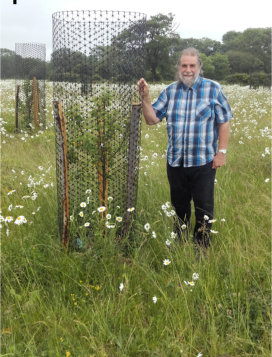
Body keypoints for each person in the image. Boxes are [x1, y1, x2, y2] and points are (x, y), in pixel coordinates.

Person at [137, 47, 232, 249]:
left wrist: (221, 153)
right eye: (184, 65)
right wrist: (145, 97)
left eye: (192, 65)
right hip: (176, 161)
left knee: (204, 209)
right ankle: (178, 246)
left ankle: (201, 250)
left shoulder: (213, 89)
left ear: (199, 67)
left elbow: (224, 122)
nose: (188, 69)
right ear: (179, 67)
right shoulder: (170, 91)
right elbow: (152, 119)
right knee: (179, 208)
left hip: (203, 162)